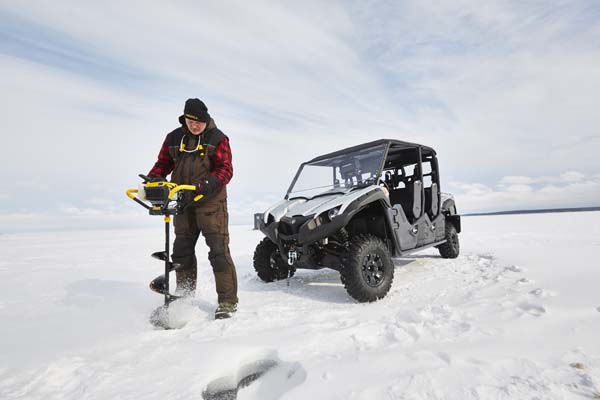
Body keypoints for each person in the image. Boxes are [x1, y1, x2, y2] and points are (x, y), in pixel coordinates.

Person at [147, 98, 238, 319]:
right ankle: (183, 297)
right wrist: (154, 178)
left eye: (198, 122)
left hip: (211, 204)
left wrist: (209, 183)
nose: (194, 126)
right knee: (181, 253)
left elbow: (225, 169)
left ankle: (227, 302)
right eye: (190, 121)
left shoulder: (218, 138)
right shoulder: (174, 138)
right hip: (183, 202)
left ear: (206, 120)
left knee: (218, 252)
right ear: (184, 119)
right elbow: (163, 163)